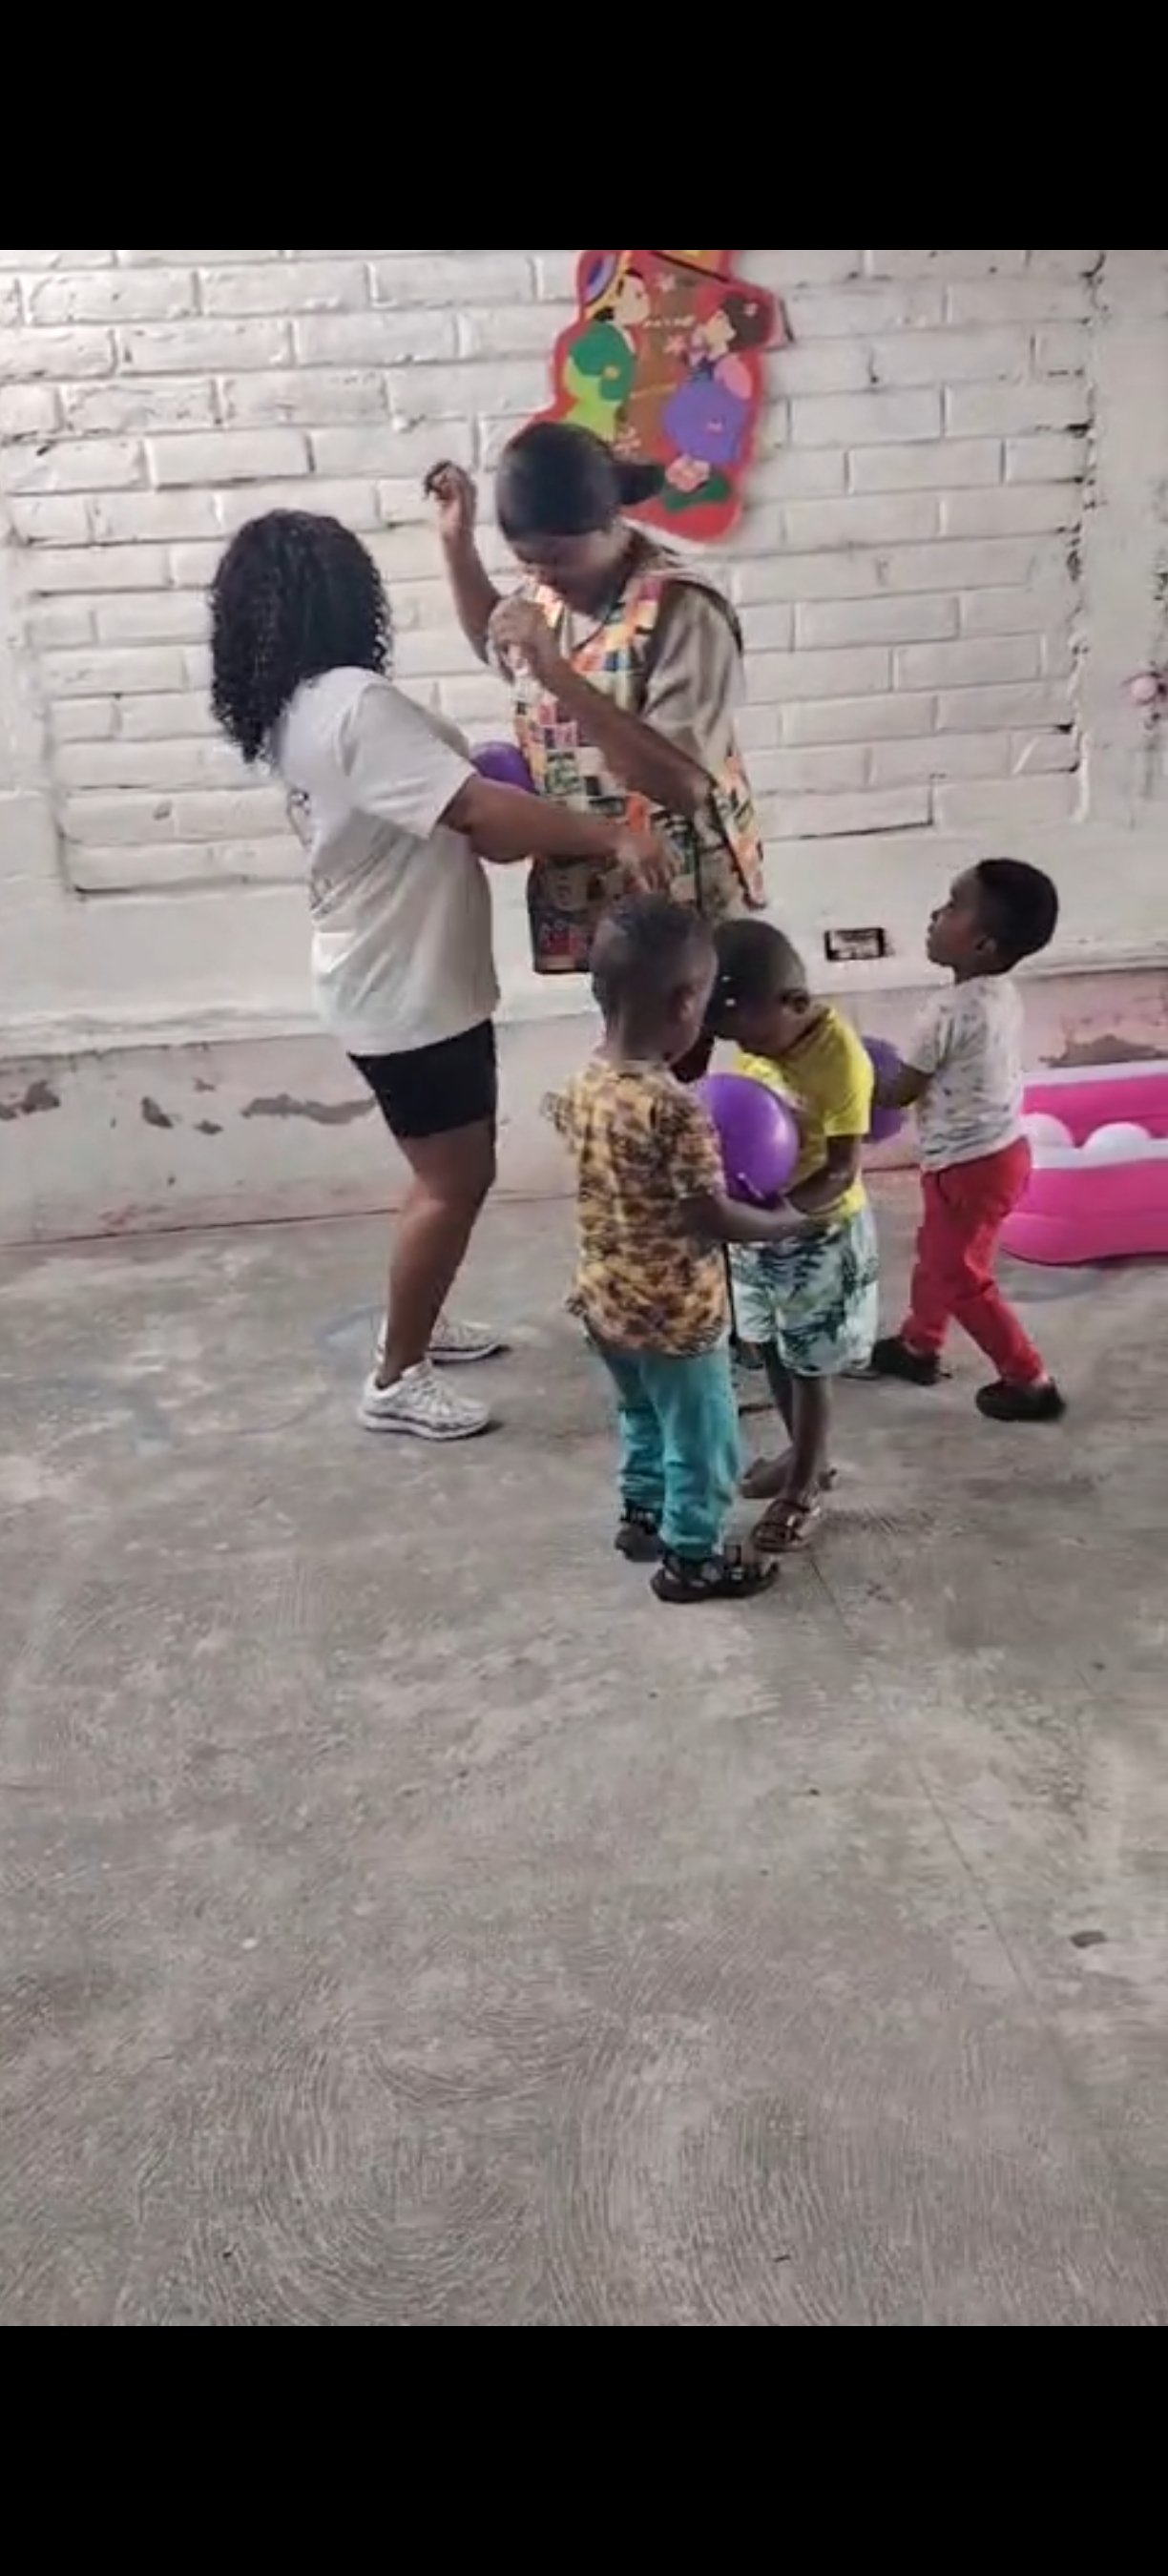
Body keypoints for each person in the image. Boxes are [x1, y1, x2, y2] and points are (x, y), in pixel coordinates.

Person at [209, 509, 672, 1446]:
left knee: (443, 1175)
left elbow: (457, 814)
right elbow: (478, 813)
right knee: (454, 1180)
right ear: (345, 595)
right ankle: (395, 1375)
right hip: (405, 987)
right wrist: (610, 835)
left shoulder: (299, 704)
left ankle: (417, 1322)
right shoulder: (354, 703)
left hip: (389, 973)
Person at [426, 420, 766, 1075]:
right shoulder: (551, 591)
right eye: (527, 562)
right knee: (627, 1049)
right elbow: (501, 645)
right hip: (601, 876)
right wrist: (456, 545)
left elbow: (681, 784)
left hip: (675, 879)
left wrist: (558, 675)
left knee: (673, 1050)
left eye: (556, 560)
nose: (542, 579)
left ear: (611, 522)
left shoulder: (681, 610)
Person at [545, 897, 794, 1604]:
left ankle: (643, 1513)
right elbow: (709, 1215)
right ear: (687, 1003)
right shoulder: (677, 1109)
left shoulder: (584, 1081)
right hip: (676, 1315)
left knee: (642, 1415)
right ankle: (692, 1557)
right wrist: (780, 1223)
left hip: (605, 1299)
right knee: (704, 1438)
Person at [868, 860, 1067, 1423]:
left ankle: (1029, 1380)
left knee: (961, 1275)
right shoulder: (1001, 993)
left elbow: (899, 1091)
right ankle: (919, 1344)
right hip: (998, 1154)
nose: (935, 914)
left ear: (982, 944)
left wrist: (852, 1082)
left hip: (968, 1166)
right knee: (942, 1254)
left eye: (953, 906)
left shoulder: (945, 1012)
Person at [706, 922, 881, 1552]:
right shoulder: (763, 1033)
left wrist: (781, 1215)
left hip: (818, 1231)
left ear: (795, 1003)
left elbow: (842, 1167)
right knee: (771, 1349)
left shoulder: (839, 1058)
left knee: (810, 1365)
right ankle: (803, 1454)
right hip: (761, 1222)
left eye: (751, 1037)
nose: (748, 1050)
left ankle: (805, 1485)